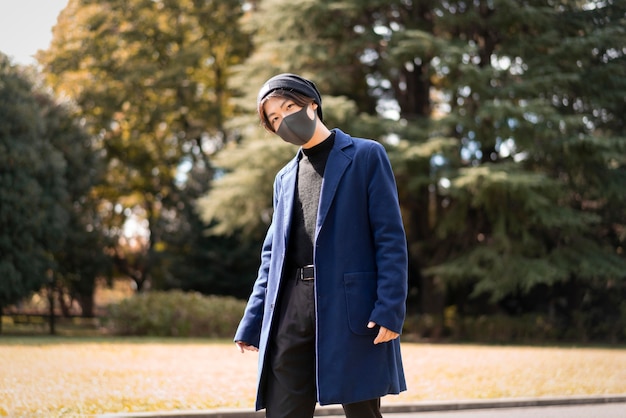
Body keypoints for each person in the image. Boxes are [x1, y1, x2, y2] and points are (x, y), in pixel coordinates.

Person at [234, 73, 408, 418]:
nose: (284, 119)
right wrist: (252, 320)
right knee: (283, 410)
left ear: (312, 103)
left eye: (288, 107)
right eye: (274, 118)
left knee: (361, 411)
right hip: (291, 307)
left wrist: (389, 307)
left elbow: (389, 239)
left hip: (351, 307)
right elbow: (272, 256)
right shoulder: (284, 178)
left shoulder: (366, 156)